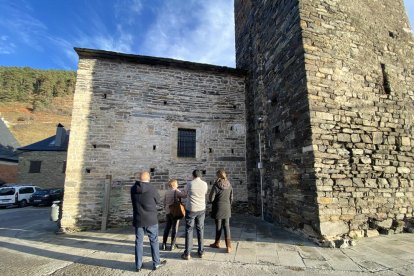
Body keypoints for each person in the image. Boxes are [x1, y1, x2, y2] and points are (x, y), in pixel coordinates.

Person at [131, 171, 167, 272]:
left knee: (138, 242)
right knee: (154, 241)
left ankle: (138, 266)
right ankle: (156, 263)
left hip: (138, 219)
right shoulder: (151, 188)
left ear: (139, 178)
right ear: (149, 178)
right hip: (151, 219)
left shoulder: (133, 188)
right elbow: (158, 201)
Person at [181, 169, 208, 260]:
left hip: (191, 209)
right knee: (200, 228)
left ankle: (187, 253)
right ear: (200, 176)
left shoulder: (189, 184)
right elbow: (204, 193)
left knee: (189, 229)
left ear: (193, 176)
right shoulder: (204, 184)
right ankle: (201, 252)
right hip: (201, 208)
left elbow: (184, 194)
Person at [209, 169, 234, 253]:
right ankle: (229, 246)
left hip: (218, 208)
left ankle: (217, 243)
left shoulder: (216, 185)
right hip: (227, 207)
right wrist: (228, 205)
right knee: (226, 226)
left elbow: (211, 198)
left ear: (218, 176)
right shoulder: (229, 184)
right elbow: (231, 198)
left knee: (218, 227)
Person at [161, 179, 185, 251]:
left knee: (167, 228)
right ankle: (172, 245)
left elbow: (164, 202)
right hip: (175, 212)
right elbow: (184, 195)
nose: (177, 184)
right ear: (174, 184)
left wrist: (167, 209)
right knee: (174, 228)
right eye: (177, 183)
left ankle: (164, 244)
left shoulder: (166, 192)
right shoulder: (176, 191)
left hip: (168, 212)